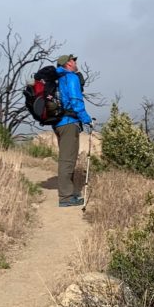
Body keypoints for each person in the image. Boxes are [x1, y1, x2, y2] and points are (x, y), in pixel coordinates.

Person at [52, 53, 91, 207]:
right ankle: (66, 197)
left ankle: (68, 192)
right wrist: (86, 119)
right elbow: (75, 100)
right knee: (67, 160)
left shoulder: (57, 79)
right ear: (68, 63)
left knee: (66, 158)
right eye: (73, 60)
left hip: (58, 123)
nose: (75, 62)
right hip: (68, 122)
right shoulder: (71, 77)